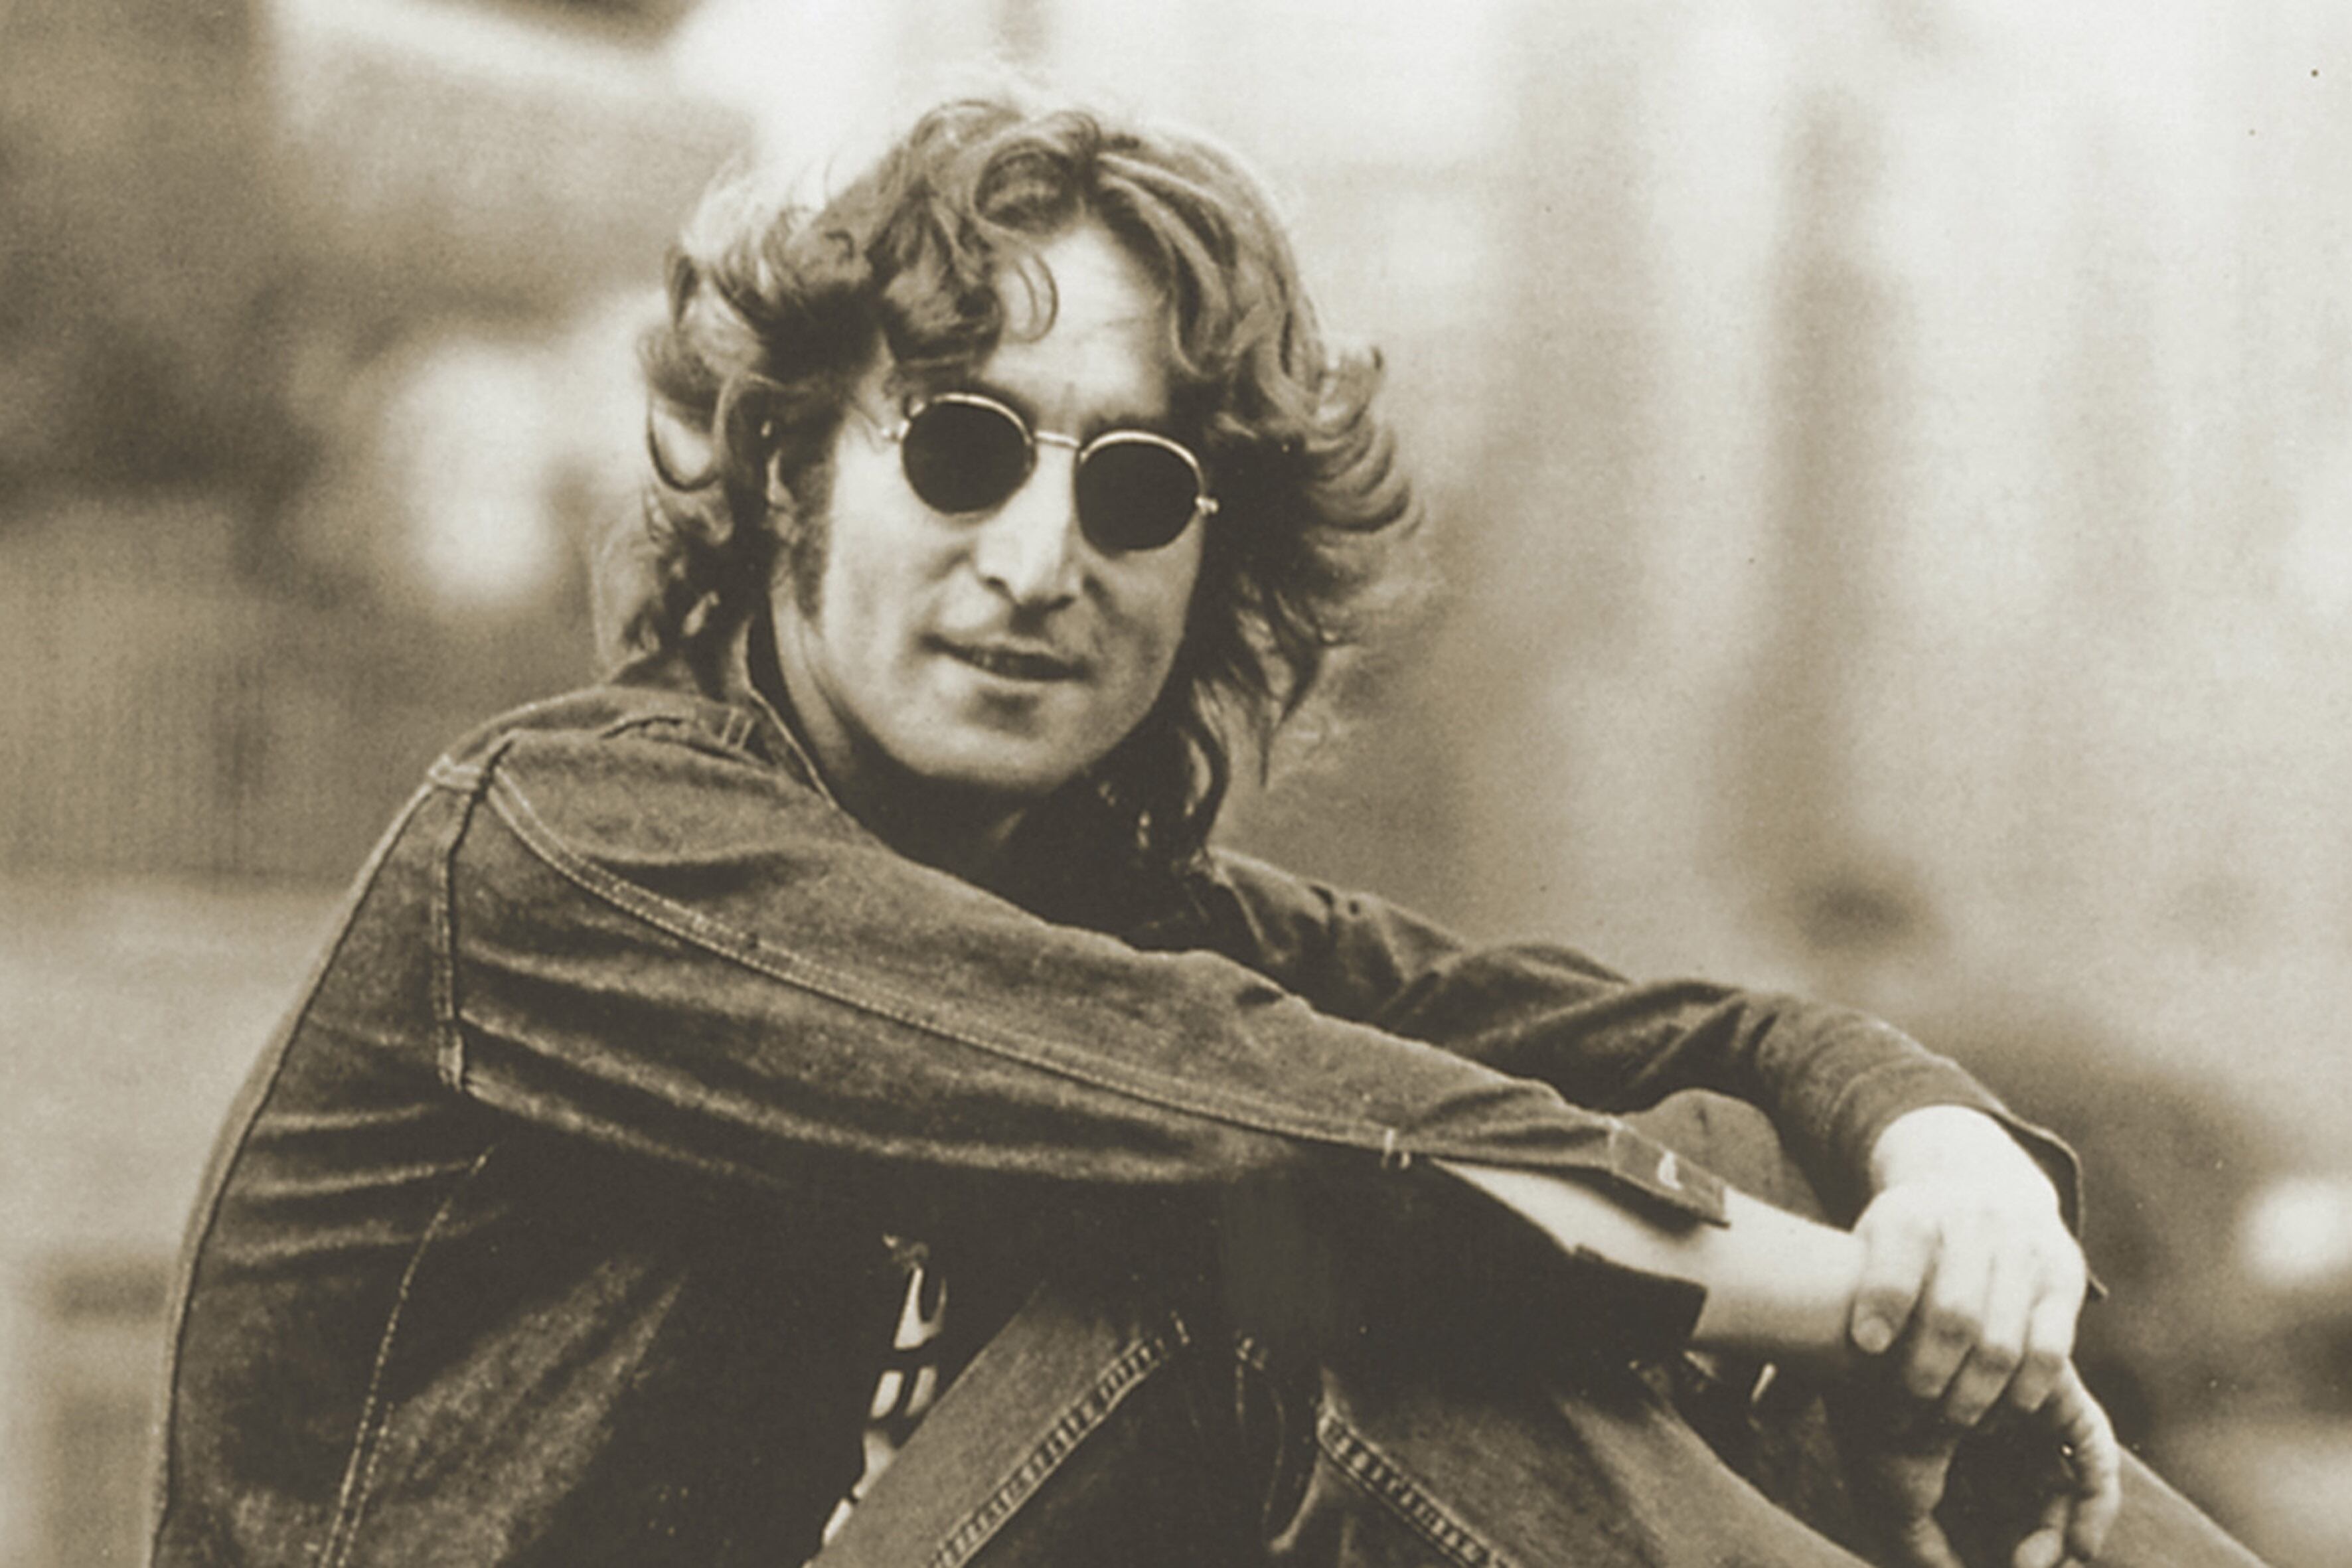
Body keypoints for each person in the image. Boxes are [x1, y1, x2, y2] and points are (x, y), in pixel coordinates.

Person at [149, 94, 2262, 1567]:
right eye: (962, 448)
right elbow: (1299, 1146)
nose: (1039, 558)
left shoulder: (1089, 902)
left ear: (1207, 561)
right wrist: (1876, 1316)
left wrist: (1946, 1165)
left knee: (1684, 1157)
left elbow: (1683, 1041)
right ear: (790, 473)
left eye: (1138, 486)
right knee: (1285, 1265)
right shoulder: (572, 840)